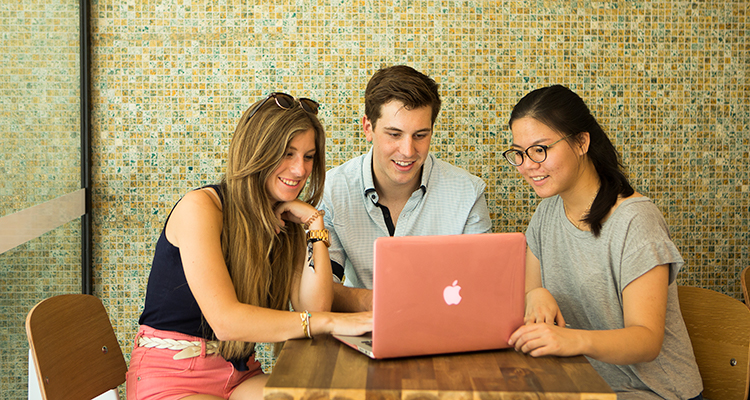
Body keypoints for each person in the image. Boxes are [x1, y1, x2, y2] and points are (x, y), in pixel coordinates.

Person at [127, 93, 372, 400]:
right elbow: (226, 322)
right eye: (287, 154)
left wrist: (314, 225)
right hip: (172, 376)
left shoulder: (287, 218)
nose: (299, 170)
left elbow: (314, 307)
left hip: (239, 375)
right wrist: (336, 321)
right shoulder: (201, 208)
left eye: (308, 156)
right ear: (257, 151)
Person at [504, 85, 703, 400]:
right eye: (519, 153)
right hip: (584, 385)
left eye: (540, 149)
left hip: (653, 392)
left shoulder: (636, 220)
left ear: (581, 142)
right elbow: (530, 293)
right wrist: (536, 294)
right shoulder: (546, 213)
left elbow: (647, 340)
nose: (528, 165)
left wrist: (574, 341)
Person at [321, 65, 492, 312]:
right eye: (394, 134)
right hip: (364, 331)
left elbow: (484, 286)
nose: (408, 151)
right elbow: (321, 289)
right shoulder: (333, 190)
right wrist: (382, 303)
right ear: (368, 128)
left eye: (420, 135)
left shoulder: (468, 192)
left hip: (445, 330)